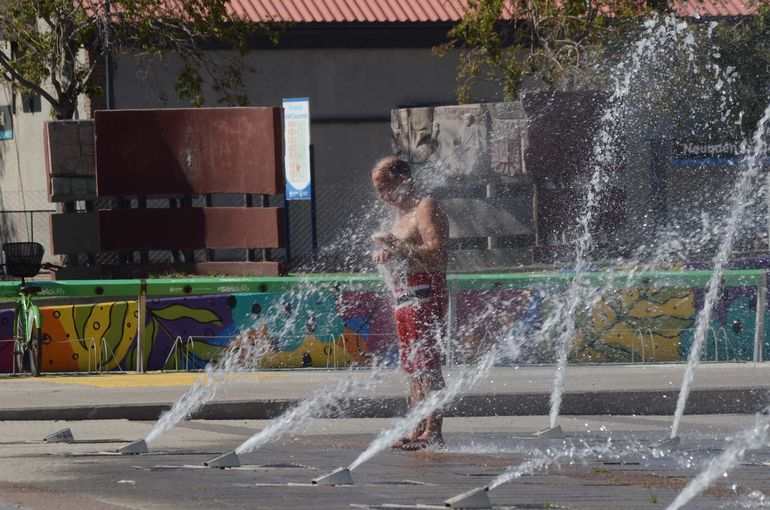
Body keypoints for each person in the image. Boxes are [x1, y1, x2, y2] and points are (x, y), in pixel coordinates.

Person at [370, 156, 449, 450]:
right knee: (413, 366)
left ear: (402, 179)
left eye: (384, 188)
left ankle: (434, 431)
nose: (381, 196)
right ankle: (417, 426)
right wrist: (387, 255)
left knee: (427, 364)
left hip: (426, 292)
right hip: (405, 293)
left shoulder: (424, 207)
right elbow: (406, 254)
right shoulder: (401, 215)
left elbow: (437, 255)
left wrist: (396, 245)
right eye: (377, 191)